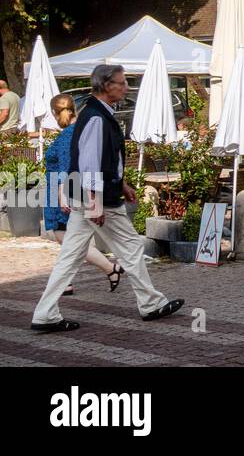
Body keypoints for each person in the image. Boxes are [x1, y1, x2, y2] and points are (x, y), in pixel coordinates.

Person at [31, 64, 183, 333]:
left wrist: (121, 183)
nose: (125, 87)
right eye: (121, 83)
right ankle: (150, 304)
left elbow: (101, 159)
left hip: (89, 195)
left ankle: (44, 314)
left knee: (70, 256)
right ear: (106, 85)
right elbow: (89, 161)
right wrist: (94, 200)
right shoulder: (98, 117)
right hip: (98, 199)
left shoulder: (97, 114)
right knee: (131, 248)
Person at [42, 93, 122, 294]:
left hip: (63, 191)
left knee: (68, 240)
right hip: (68, 189)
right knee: (71, 240)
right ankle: (68, 282)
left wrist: (61, 194)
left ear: (54, 112)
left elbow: (65, 167)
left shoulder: (68, 134)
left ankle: (110, 268)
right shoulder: (75, 130)